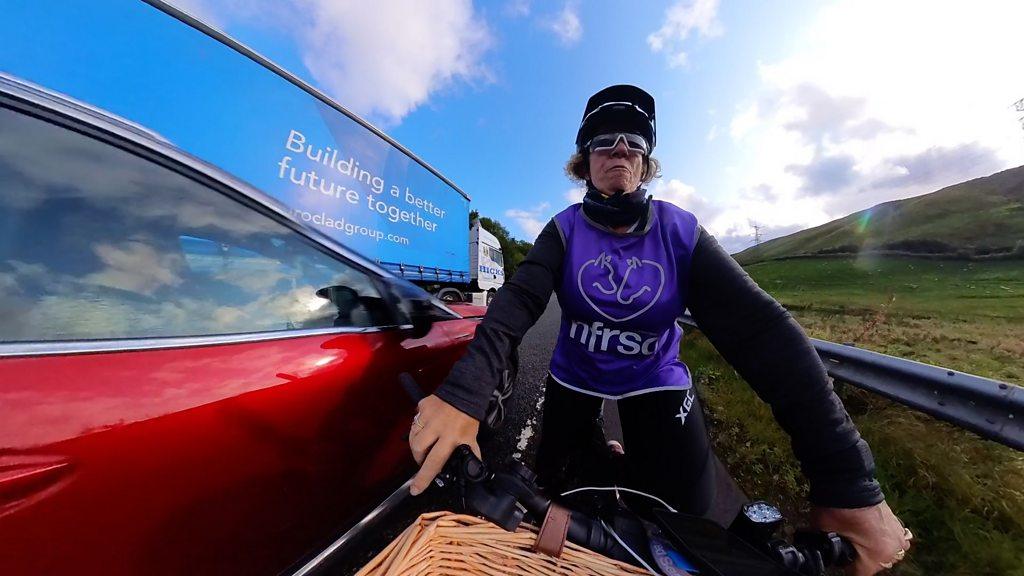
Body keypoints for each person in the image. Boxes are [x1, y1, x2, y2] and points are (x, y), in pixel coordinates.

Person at [409, 85, 911, 575]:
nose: (621, 148)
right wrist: (466, 394)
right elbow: (518, 300)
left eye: (635, 141)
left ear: (647, 165)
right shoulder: (564, 229)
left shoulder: (680, 231)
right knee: (552, 513)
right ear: (584, 164)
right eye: (604, 141)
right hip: (573, 382)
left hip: (657, 383)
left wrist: (848, 484)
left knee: (690, 521)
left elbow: (762, 333)